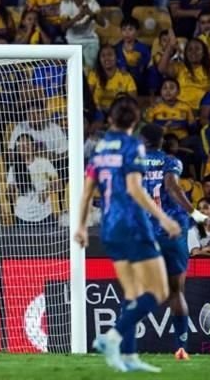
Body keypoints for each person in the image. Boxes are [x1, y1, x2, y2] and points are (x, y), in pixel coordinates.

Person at [74, 96, 181, 373]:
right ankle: (112, 336)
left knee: (133, 292)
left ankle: (130, 357)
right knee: (160, 291)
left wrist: (82, 227)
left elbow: (87, 194)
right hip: (134, 225)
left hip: (109, 227)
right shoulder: (133, 145)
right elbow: (134, 189)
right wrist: (164, 218)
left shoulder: (98, 150)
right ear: (135, 121)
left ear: (110, 120)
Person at [139, 124, 210, 359]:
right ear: (162, 141)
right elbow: (171, 186)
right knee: (176, 292)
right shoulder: (171, 162)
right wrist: (195, 213)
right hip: (174, 233)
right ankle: (181, 347)